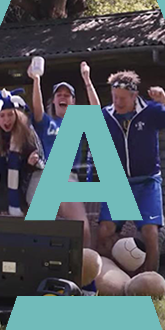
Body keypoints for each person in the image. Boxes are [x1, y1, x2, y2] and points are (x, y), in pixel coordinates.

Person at [96, 70, 165, 275]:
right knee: (105, 231)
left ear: (134, 96)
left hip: (147, 181)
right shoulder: (106, 115)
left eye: (122, 98)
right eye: (114, 97)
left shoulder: (151, 111)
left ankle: (149, 281)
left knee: (150, 232)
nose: (117, 103)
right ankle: (109, 277)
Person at [27, 59, 100, 249]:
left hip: (68, 178)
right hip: (44, 176)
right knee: (42, 229)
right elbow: (37, 109)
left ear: (73, 101)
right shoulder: (46, 122)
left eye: (67, 95)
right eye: (59, 94)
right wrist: (36, 80)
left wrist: (87, 80)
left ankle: (85, 265)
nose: (63, 97)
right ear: (54, 101)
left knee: (82, 229)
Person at [0, 88, 45, 216]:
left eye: (10, 114)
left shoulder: (27, 131)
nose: (7, 120)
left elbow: (42, 161)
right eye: (2, 115)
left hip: (20, 180)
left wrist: (30, 162)